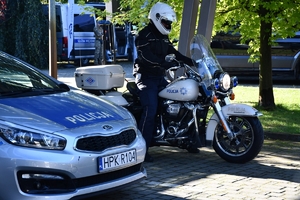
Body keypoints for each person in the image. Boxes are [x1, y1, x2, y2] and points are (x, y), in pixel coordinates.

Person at [133, 2, 197, 162]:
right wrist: (164, 63)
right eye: (165, 22)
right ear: (156, 18)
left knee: (183, 102)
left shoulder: (163, 36)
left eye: (169, 23)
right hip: (145, 77)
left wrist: (190, 61)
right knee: (151, 109)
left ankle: (186, 140)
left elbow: (173, 52)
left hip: (160, 77)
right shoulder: (143, 35)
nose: (167, 25)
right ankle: (142, 150)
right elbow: (147, 58)